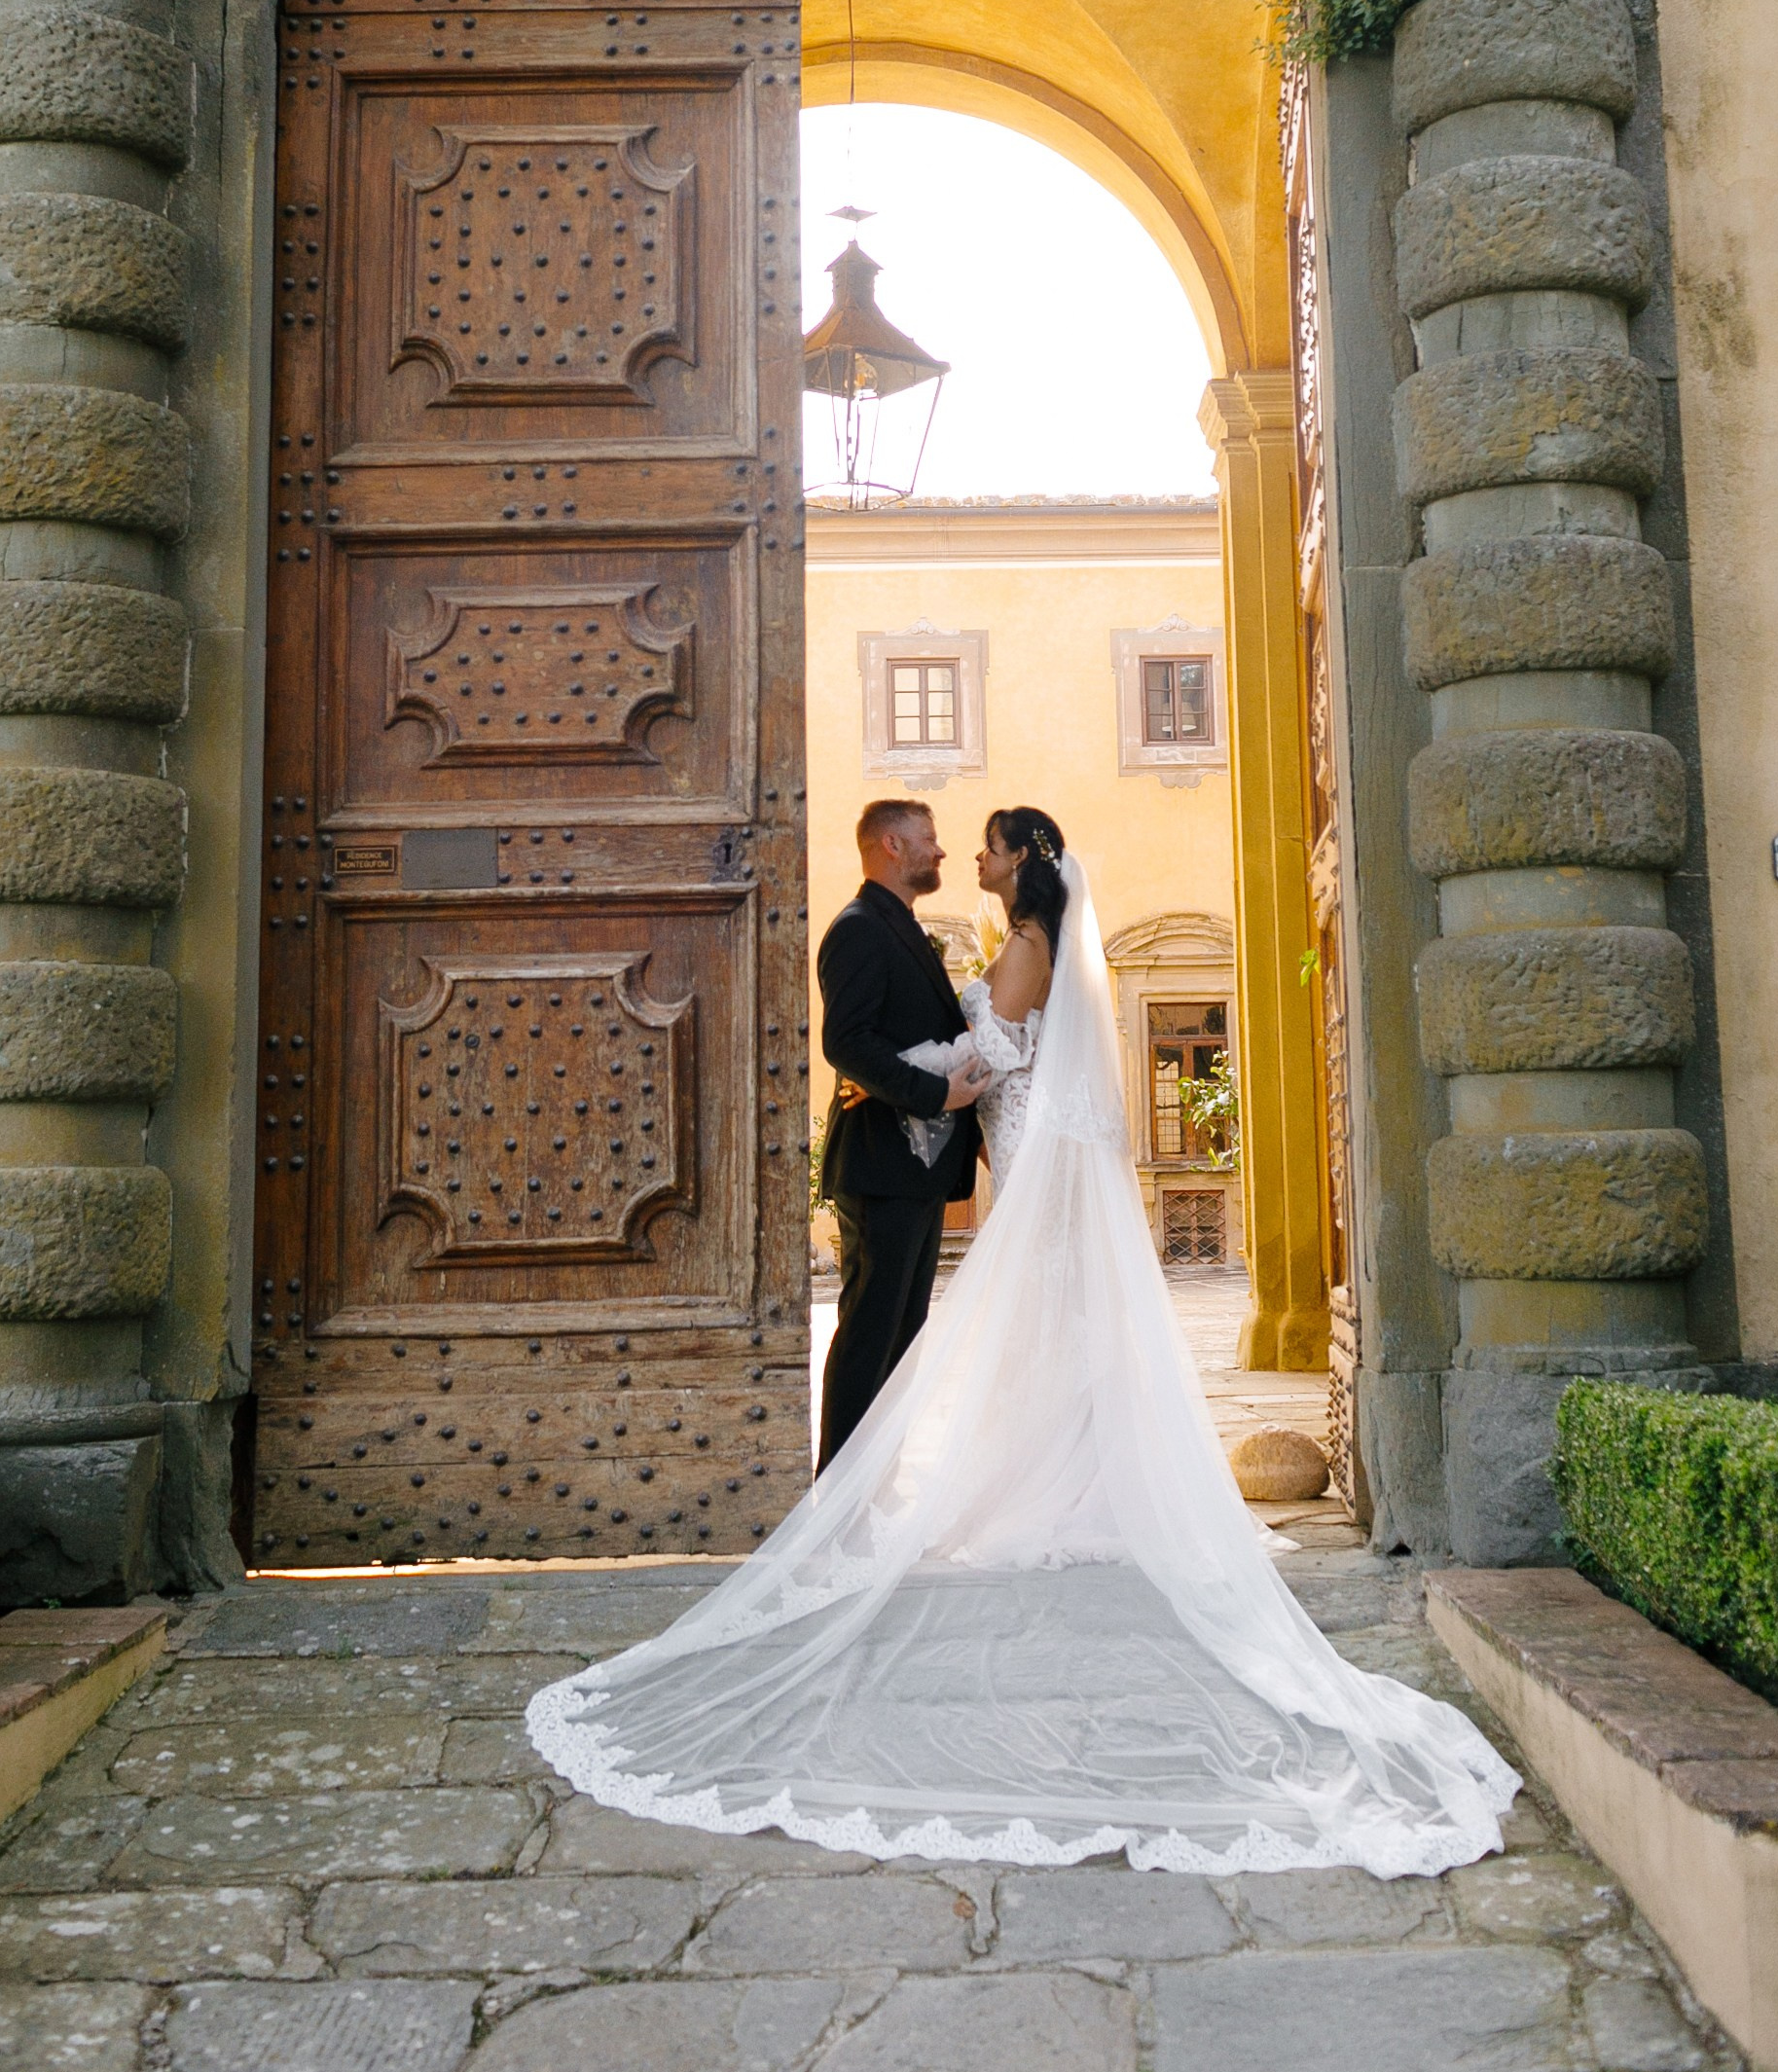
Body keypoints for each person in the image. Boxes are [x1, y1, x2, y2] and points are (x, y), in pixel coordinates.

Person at [526, 809, 1523, 1878]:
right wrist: (910, 1075)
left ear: (1024, 865)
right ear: (889, 846)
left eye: (989, 844)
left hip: (1017, 1159)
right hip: (980, 1158)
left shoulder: (1025, 949)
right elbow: (922, 1044)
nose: (967, 853)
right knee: (995, 1337)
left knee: (1006, 1334)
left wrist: (917, 1072)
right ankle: (956, 1485)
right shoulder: (967, 939)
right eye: (942, 838)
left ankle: (1022, 1487)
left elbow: (987, 1049)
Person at [811, 799, 988, 1470]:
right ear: (890, 844)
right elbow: (846, 1042)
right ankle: (840, 1489)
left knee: (901, 1337)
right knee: (869, 1333)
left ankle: (873, 1484)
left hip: (914, 1170)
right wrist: (936, 1091)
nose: (940, 852)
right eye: (928, 839)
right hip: (880, 1164)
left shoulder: (902, 928)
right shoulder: (858, 928)